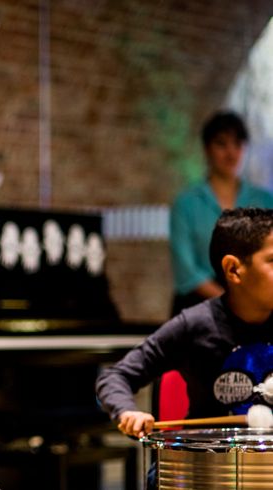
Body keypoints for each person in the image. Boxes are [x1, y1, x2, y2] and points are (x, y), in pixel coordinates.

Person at [97, 207, 273, 440]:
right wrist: (128, 412)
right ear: (233, 269)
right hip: (208, 468)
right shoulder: (195, 325)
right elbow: (116, 376)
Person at [170, 111, 273, 314]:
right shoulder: (186, 203)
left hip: (254, 307)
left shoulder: (263, 200)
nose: (230, 153)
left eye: (237, 144)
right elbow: (186, 271)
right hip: (198, 307)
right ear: (207, 149)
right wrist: (233, 300)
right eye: (221, 144)